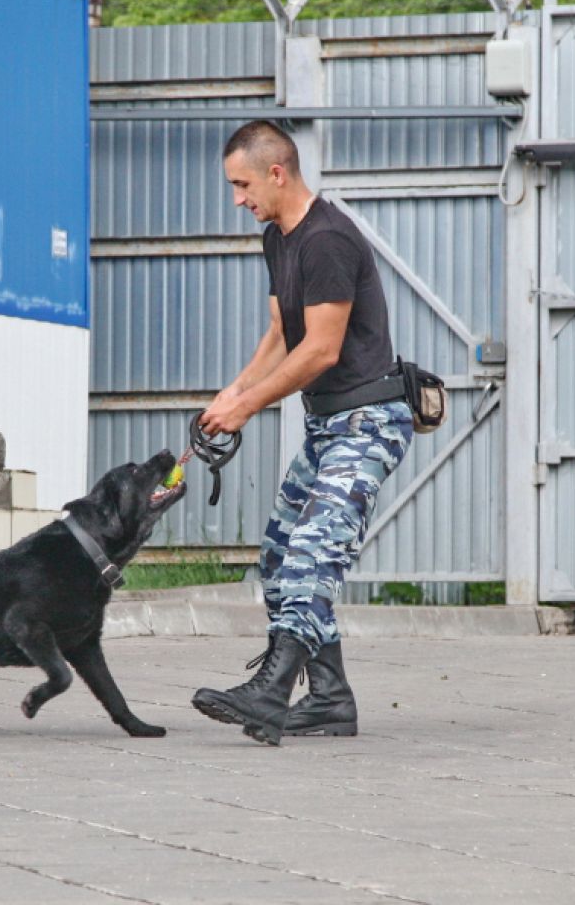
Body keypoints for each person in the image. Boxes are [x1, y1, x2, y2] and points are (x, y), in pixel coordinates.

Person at [190, 120, 413, 745]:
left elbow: (319, 351)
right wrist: (230, 395)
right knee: (280, 558)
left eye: (243, 184)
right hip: (327, 426)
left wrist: (250, 406)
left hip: (370, 421)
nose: (238, 199)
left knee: (314, 550)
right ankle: (331, 701)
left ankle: (271, 691)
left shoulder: (327, 241)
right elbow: (281, 336)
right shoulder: (278, 239)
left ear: (277, 173)